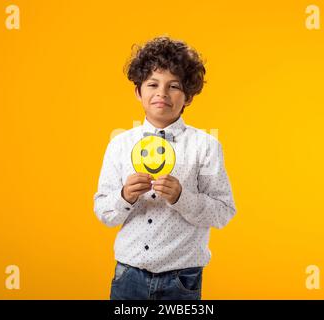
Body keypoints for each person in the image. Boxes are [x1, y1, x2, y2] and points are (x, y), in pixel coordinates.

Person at [94, 36, 237, 300]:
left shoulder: (205, 146)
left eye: (174, 86)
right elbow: (104, 212)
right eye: (152, 84)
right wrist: (124, 196)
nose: (162, 93)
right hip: (129, 274)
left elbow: (223, 212)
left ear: (188, 96)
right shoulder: (120, 144)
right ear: (138, 91)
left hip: (182, 277)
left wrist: (182, 198)